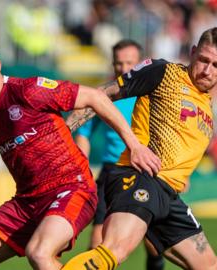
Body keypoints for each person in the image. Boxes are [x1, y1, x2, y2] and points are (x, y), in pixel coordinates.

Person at [0, 35, 160, 270]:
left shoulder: (28, 90)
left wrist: (134, 146)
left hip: (71, 188)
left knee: (39, 252)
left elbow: (95, 97)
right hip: (27, 202)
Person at [62, 27, 217, 270]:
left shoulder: (206, 104)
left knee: (208, 265)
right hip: (140, 177)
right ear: (193, 52)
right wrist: (62, 131)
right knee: (113, 251)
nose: (207, 70)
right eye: (203, 60)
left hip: (168, 193)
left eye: (216, 65)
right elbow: (102, 95)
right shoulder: (164, 72)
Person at [75, 39, 164, 270]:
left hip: (146, 171)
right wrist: (81, 167)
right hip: (111, 171)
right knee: (98, 244)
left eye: (129, 63)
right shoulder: (103, 95)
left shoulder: (153, 95)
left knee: (153, 243)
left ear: (141, 63)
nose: (124, 69)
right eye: (118, 63)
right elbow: (83, 133)